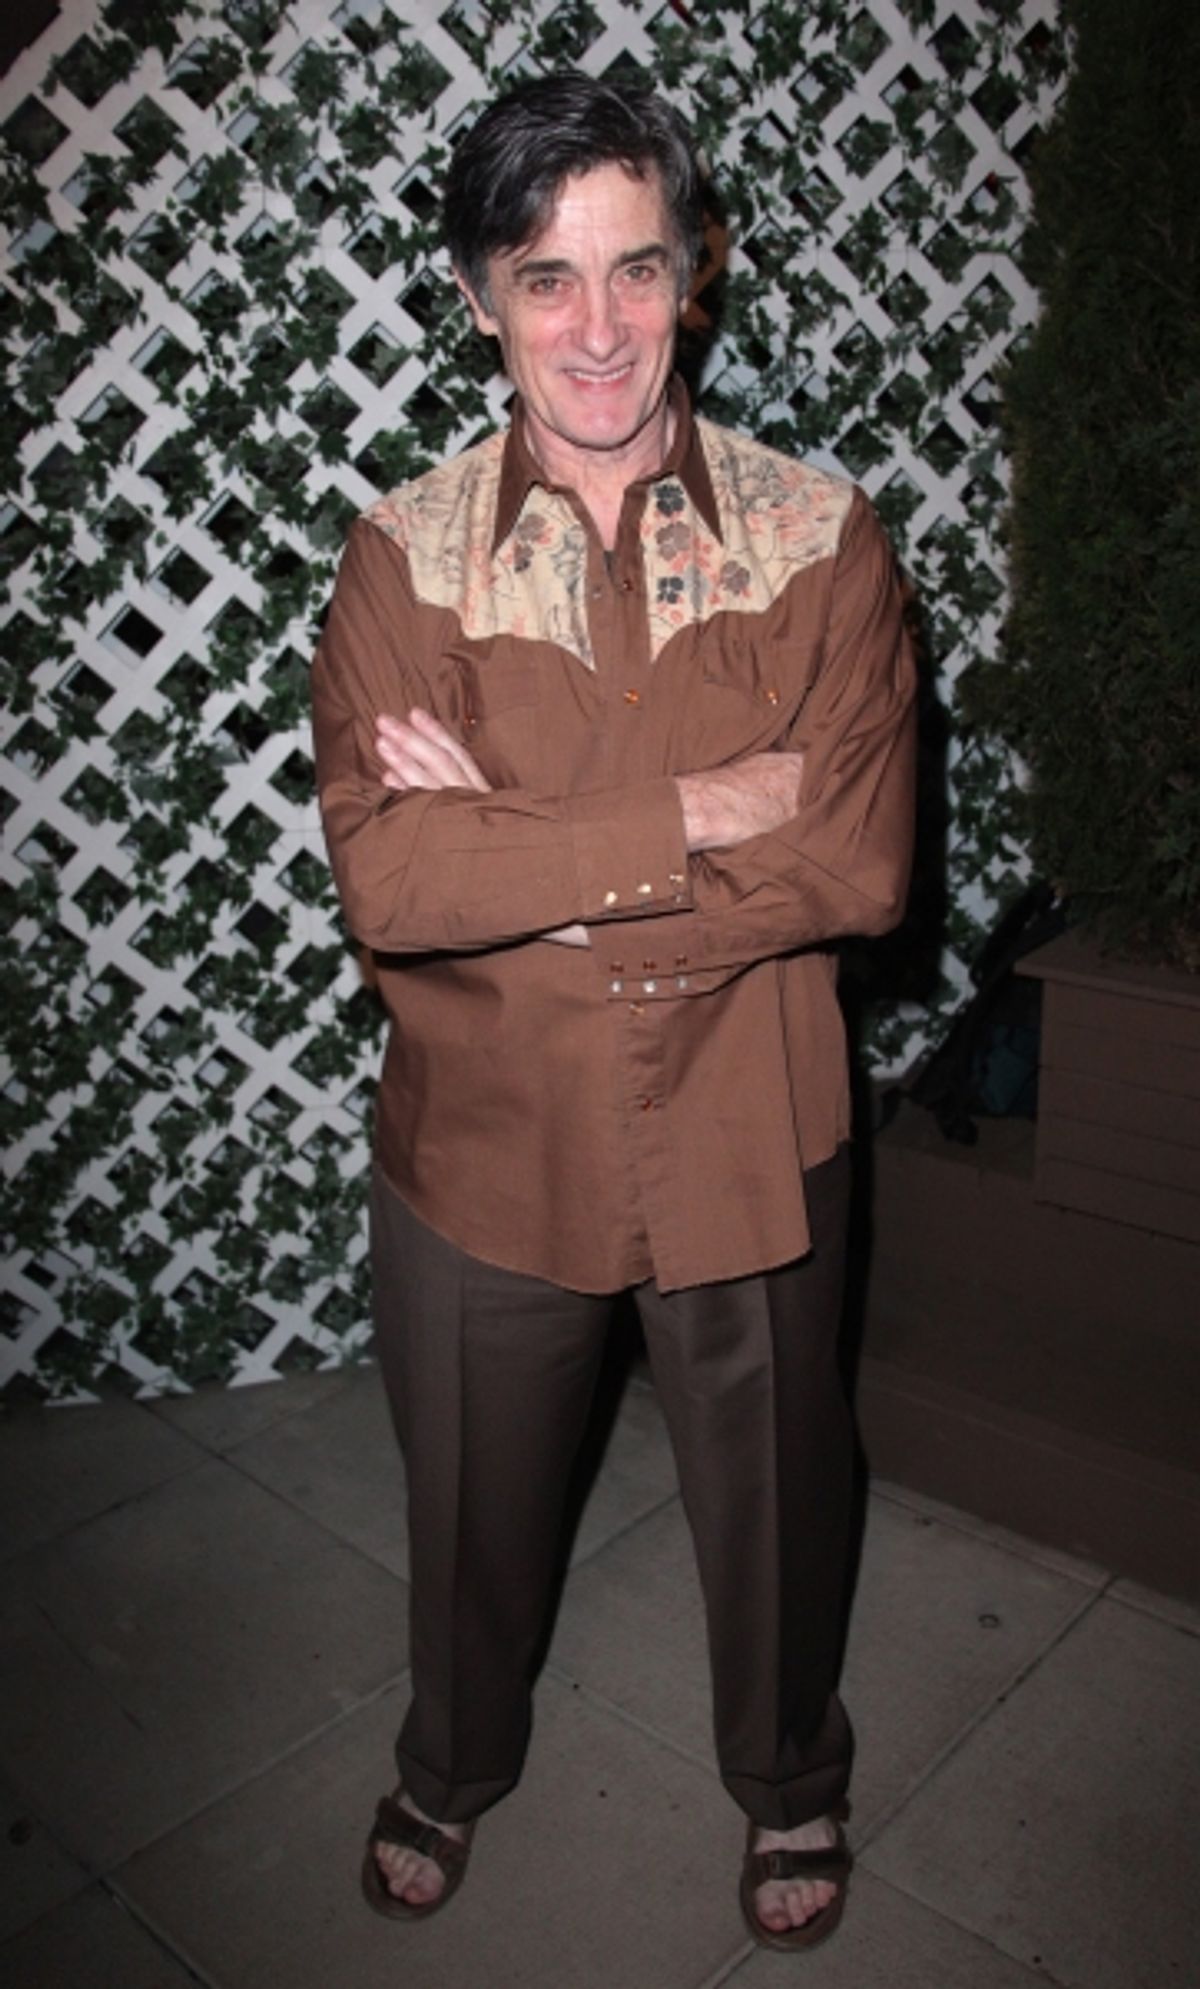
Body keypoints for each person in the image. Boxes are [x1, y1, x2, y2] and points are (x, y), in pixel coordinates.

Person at [311, 70, 916, 1952]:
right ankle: (453, 1753)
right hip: (487, 1136)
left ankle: (790, 1778)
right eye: (547, 277)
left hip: (754, 1118)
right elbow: (392, 885)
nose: (599, 328)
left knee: (779, 1497)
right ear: (483, 295)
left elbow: (856, 866)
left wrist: (534, 863)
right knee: (475, 1496)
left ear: (692, 275)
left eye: (637, 271)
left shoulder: (822, 537)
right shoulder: (404, 555)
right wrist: (686, 813)